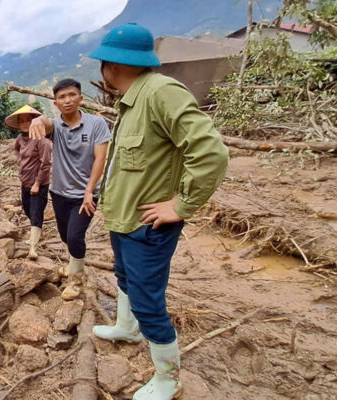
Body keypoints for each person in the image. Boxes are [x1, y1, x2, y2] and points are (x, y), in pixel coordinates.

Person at [81, 23, 229, 400]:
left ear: (110, 66)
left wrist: (181, 205)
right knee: (125, 277)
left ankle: (168, 378)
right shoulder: (133, 100)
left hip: (148, 224)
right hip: (126, 217)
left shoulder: (161, 93)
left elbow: (210, 153)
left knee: (149, 301)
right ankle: (126, 328)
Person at [28, 79, 111, 301]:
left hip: (86, 195)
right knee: (65, 235)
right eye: (62, 97)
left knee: (75, 236)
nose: (67, 100)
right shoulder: (56, 126)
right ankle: (73, 263)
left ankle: (76, 279)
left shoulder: (96, 124)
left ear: (80, 98)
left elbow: (100, 159)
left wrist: (89, 190)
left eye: (72, 95)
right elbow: (46, 123)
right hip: (59, 193)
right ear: (55, 103)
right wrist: (38, 118)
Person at [6, 105, 52, 260]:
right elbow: (16, 150)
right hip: (25, 182)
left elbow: (46, 164)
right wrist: (21, 162)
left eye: (28, 120)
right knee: (27, 209)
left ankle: (33, 246)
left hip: (39, 183)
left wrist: (37, 183)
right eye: (22, 121)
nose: (25, 123)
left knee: (36, 212)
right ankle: (38, 233)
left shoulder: (42, 140)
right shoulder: (20, 138)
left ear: (34, 121)